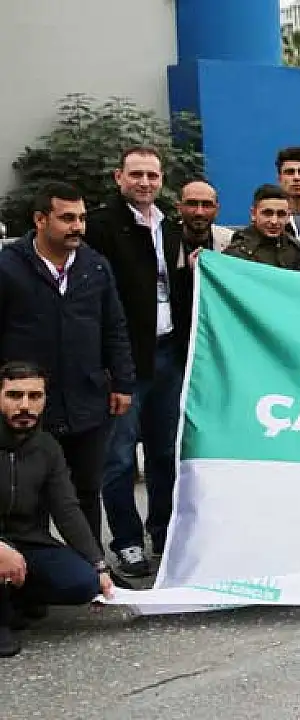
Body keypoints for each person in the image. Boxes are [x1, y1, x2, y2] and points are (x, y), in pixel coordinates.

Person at [0, 182, 135, 555]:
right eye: (67, 218)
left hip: (86, 399)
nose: (77, 226)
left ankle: (91, 568)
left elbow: (114, 327)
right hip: (28, 404)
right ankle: (31, 574)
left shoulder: (95, 266)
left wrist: (122, 382)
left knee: (86, 490)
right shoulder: (8, 267)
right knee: (28, 496)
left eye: (81, 218)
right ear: (40, 219)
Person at [85, 145, 193, 578]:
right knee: (120, 458)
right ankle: (127, 542)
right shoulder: (100, 227)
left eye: (152, 175)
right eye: (136, 174)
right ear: (119, 178)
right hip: (124, 361)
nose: (145, 182)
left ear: (161, 179)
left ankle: (163, 532)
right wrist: (111, 367)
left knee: (165, 452)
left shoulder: (170, 227)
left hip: (167, 354)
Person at [0, 361, 116, 657]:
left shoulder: (48, 446)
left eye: (34, 396)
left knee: (83, 583)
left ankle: (15, 597)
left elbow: (67, 509)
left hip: (26, 540)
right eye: (14, 395)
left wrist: (98, 565)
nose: (25, 406)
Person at [224, 185, 300, 269]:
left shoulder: (295, 248)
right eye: (267, 213)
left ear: (288, 217)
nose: (274, 221)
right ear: (253, 214)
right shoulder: (236, 253)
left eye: (281, 214)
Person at [176, 180, 232, 255]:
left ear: (217, 210)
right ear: (179, 208)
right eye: (192, 204)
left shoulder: (231, 242)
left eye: (207, 205)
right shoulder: (163, 241)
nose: (199, 212)